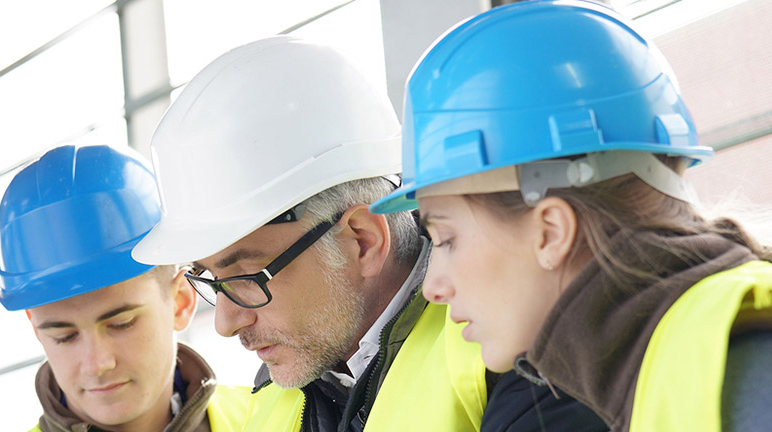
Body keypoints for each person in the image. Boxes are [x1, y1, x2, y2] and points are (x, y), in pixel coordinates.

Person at [368, 2, 772, 431]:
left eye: (444, 238)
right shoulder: (663, 364)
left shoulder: (756, 377)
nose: (434, 285)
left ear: (551, 230)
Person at [131, 35, 606, 432]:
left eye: (248, 276)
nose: (226, 322)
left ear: (363, 240)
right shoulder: (277, 395)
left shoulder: (514, 353)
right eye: (209, 279)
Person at [0, 144, 261, 432]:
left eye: (121, 324)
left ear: (180, 301)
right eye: (65, 336)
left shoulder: (276, 422)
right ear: (36, 329)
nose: (97, 364)